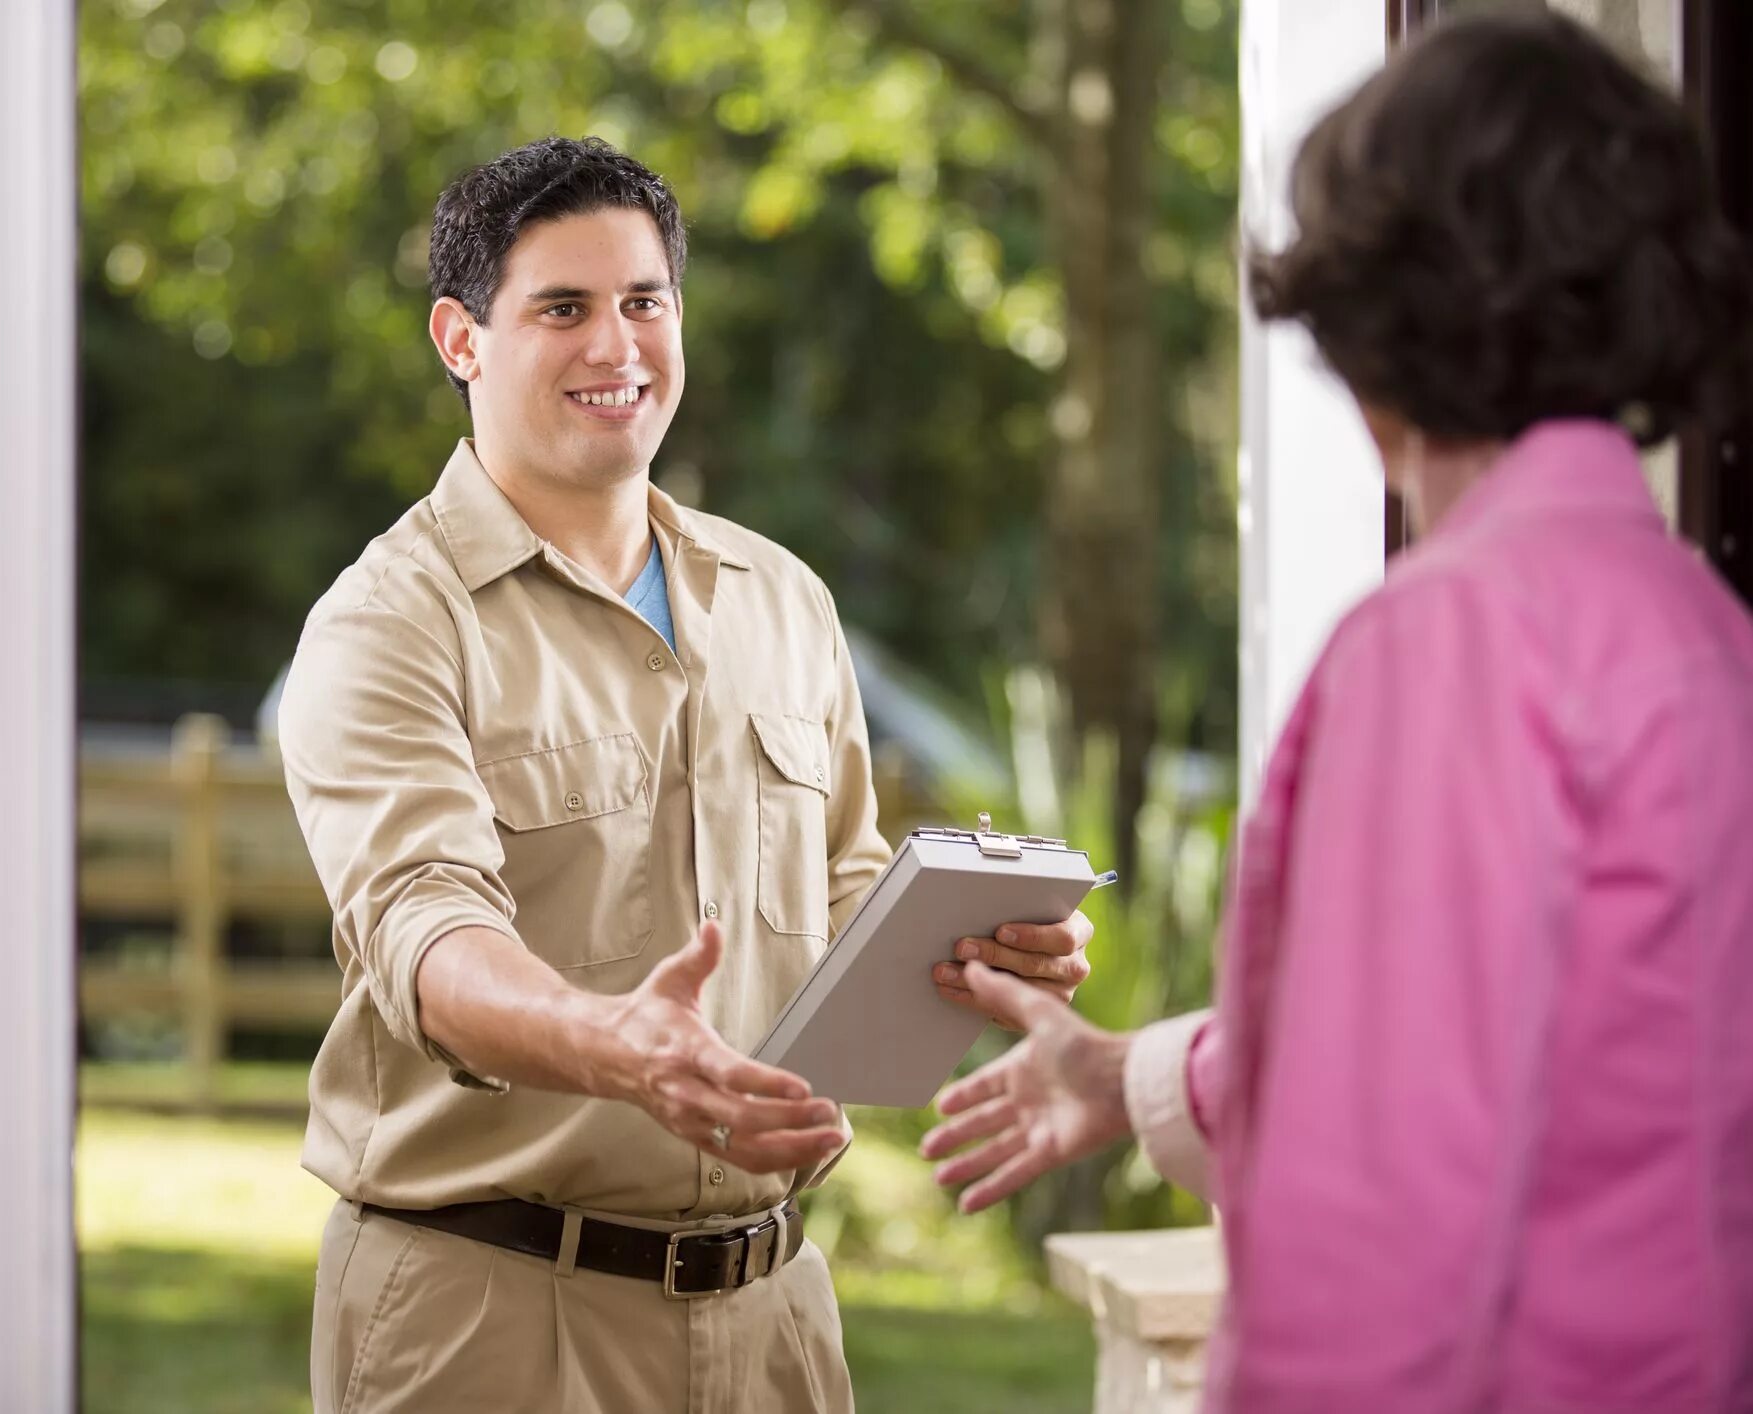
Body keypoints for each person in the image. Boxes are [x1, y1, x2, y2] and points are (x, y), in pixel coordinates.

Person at [922, 13, 1753, 1412]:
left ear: (1368, 313)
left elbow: (1381, 1222)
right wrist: (1132, 1073)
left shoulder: (1450, 641)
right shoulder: (1697, 625)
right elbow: (1554, 1065)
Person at [276, 136, 1092, 1414]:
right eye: (563, 308)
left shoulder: (783, 599)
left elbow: (844, 887)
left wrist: (969, 954)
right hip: (490, 1320)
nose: (618, 347)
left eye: (644, 301)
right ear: (461, 339)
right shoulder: (389, 624)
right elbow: (423, 932)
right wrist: (614, 1045)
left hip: (777, 1323)